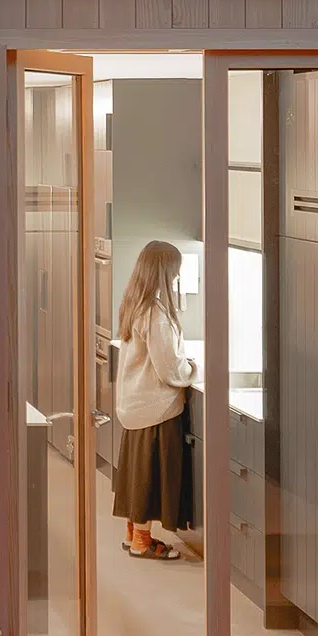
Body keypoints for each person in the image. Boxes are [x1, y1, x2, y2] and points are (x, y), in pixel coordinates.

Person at [112, 239, 195, 560]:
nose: (177, 277)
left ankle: (133, 534)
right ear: (164, 271)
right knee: (150, 476)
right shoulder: (156, 314)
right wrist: (194, 369)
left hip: (135, 403)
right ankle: (142, 543)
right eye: (175, 271)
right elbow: (169, 368)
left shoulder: (134, 303)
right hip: (155, 406)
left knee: (137, 473)